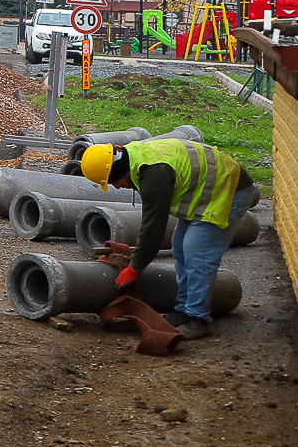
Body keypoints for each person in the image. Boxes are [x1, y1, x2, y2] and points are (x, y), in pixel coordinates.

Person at [77, 139, 258, 340]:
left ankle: (198, 318)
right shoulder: (133, 158)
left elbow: (153, 228)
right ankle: (183, 310)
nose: (117, 187)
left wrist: (134, 268)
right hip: (204, 191)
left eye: (113, 182)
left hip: (229, 190)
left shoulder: (154, 174)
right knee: (179, 247)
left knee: (197, 253)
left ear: (118, 171)